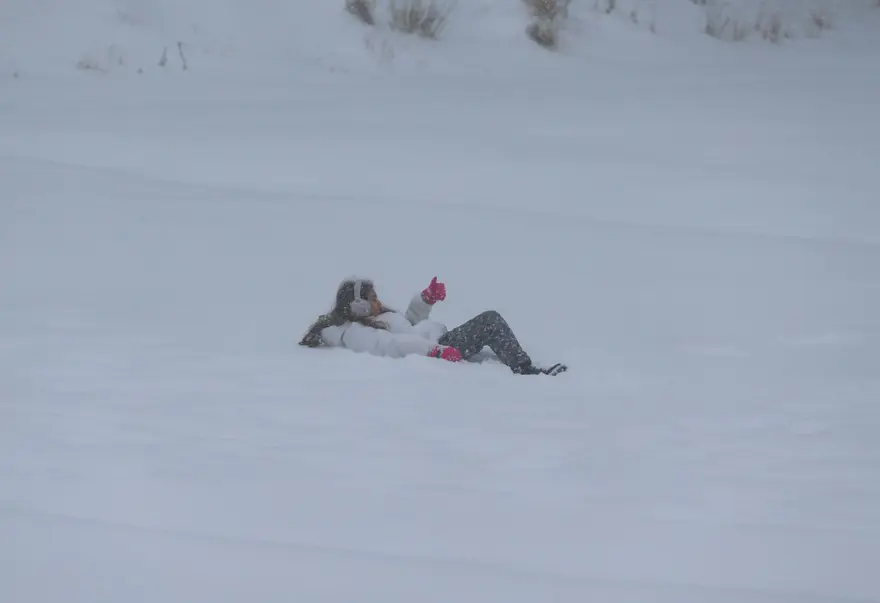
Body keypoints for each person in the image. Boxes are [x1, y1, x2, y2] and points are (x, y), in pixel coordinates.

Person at [299, 276, 567, 376]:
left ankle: (520, 363)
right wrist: (434, 351)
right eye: (372, 299)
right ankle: (524, 369)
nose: (378, 302)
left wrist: (424, 300)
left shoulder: (376, 319)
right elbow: (392, 345)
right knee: (490, 320)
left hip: (438, 341)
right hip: (439, 346)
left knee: (489, 323)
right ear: (357, 306)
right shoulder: (354, 333)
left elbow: (409, 326)